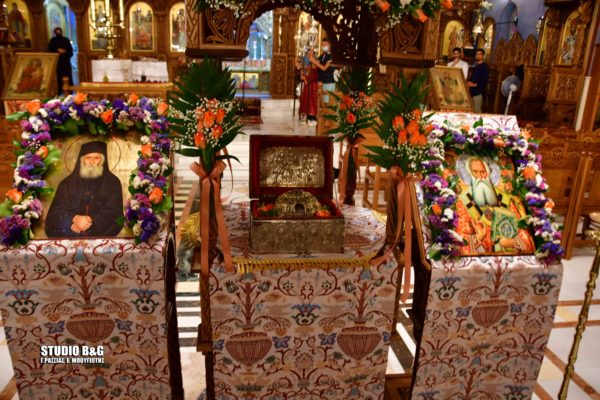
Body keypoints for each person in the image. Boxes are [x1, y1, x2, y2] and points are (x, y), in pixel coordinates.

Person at [45, 141, 123, 238]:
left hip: (100, 239)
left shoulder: (112, 183)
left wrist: (90, 220)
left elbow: (115, 214)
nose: (92, 162)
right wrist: (74, 218)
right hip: (68, 238)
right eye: (88, 158)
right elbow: (54, 214)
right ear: (81, 160)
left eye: (96, 158)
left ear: (103, 160)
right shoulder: (67, 184)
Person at [48, 27, 73, 95]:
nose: (58, 33)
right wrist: (57, 51)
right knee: (58, 77)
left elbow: (70, 51)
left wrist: (64, 51)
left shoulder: (66, 40)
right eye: (57, 32)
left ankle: (69, 90)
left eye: (59, 31)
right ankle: (58, 90)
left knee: (67, 76)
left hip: (65, 62)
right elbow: (50, 51)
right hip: (57, 63)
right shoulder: (52, 41)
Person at [310, 38, 335, 105]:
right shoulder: (322, 56)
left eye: (326, 44)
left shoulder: (331, 56)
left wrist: (313, 61)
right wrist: (312, 57)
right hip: (321, 83)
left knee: (327, 104)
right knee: (321, 104)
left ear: (330, 45)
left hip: (329, 82)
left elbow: (324, 68)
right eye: (322, 45)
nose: (324, 46)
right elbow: (314, 66)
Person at [299, 48, 319, 125]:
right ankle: (307, 116)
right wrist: (304, 76)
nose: (309, 55)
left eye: (311, 53)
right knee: (306, 99)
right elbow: (306, 73)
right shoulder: (309, 63)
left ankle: (313, 118)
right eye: (308, 54)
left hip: (313, 84)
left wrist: (306, 78)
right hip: (308, 84)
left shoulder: (315, 62)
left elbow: (313, 73)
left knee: (312, 101)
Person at [467, 48, 489, 113]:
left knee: (477, 111)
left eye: (480, 54)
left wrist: (474, 84)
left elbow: (484, 80)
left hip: (478, 92)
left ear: (483, 56)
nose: (478, 56)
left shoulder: (485, 67)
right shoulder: (476, 66)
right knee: (471, 110)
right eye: (477, 54)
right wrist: (469, 83)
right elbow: (473, 78)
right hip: (471, 92)